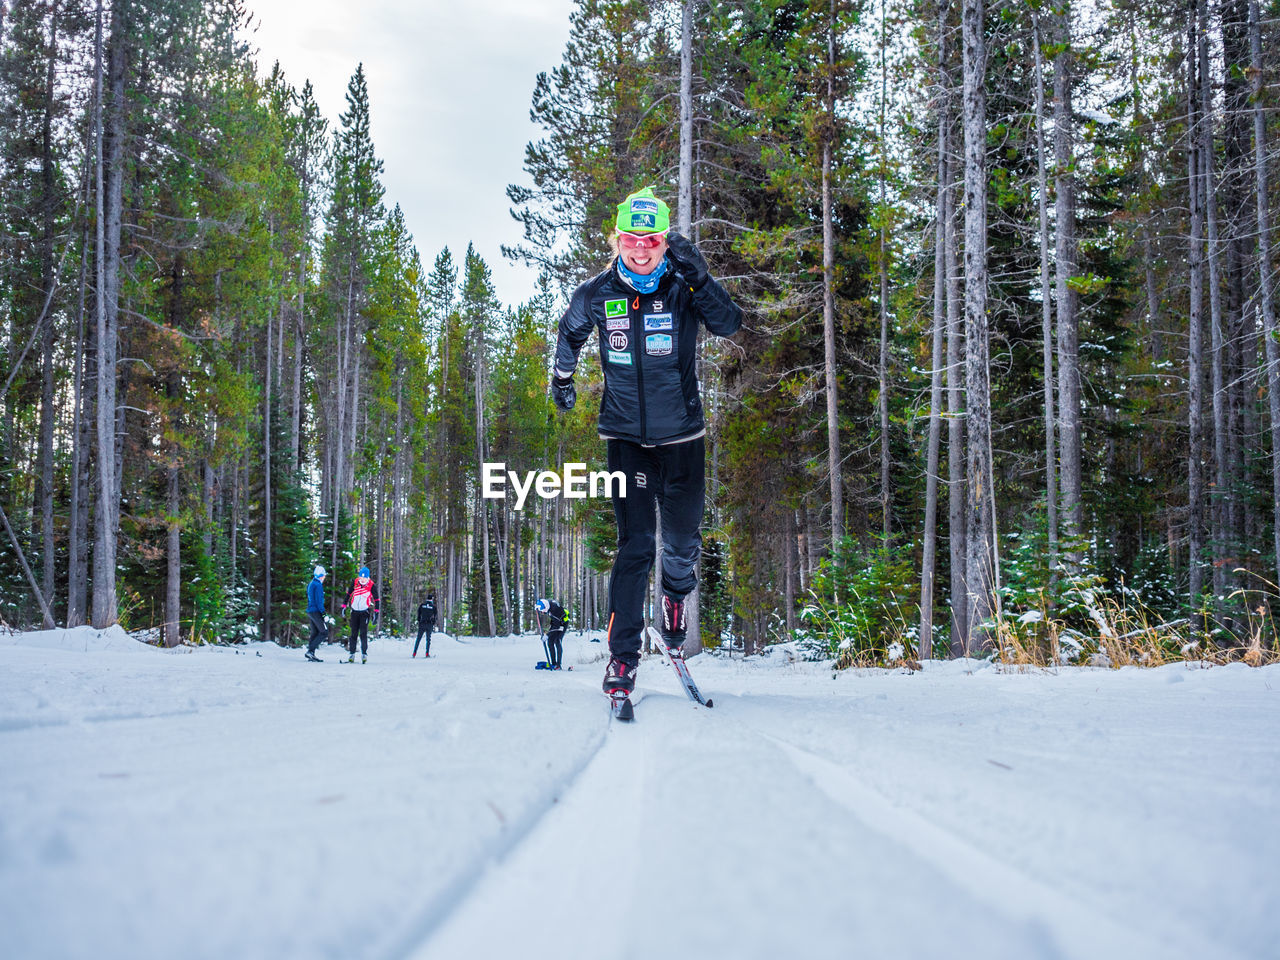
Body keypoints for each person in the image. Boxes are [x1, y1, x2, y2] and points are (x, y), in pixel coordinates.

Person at [551, 187, 742, 698]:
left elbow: (729, 324)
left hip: (683, 438)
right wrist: (562, 379)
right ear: (616, 240)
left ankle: (675, 603)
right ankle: (623, 660)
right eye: (631, 238)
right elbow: (569, 333)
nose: (641, 248)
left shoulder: (683, 287)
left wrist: (699, 273)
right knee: (635, 546)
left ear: (664, 243)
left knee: (680, 544)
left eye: (651, 239)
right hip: (626, 440)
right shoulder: (596, 293)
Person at [341, 566, 380, 663]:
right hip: (354, 611)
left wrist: (376, 612)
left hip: (364, 612)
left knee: (363, 633)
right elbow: (348, 594)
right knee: (353, 633)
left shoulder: (371, 585)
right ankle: (352, 654)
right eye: (361, 578)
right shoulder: (355, 582)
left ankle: (364, 654)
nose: (362, 580)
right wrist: (344, 606)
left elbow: (377, 600)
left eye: (364, 578)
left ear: (368, 578)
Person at [536, 597, 567, 670]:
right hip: (556, 623)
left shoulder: (554, 610)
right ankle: (553, 663)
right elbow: (554, 624)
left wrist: (547, 635)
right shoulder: (548, 604)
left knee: (557, 641)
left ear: (545, 608)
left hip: (563, 624)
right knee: (550, 642)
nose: (542, 613)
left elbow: (557, 626)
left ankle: (558, 665)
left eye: (542, 611)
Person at [305, 565, 328, 662]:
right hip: (316, 611)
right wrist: (324, 614)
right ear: (321, 576)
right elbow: (319, 602)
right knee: (324, 632)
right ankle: (310, 651)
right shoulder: (318, 585)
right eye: (324, 576)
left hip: (310, 611)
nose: (324, 577)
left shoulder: (311, 583)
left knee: (315, 632)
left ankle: (311, 653)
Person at [414, 593, 437, 658]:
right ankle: (427, 653)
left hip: (422, 623)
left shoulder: (422, 605)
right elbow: (435, 616)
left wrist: (419, 620)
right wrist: (433, 622)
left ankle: (414, 652)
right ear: (431, 599)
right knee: (428, 639)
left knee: (418, 639)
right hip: (429, 624)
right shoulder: (433, 607)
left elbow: (419, 613)